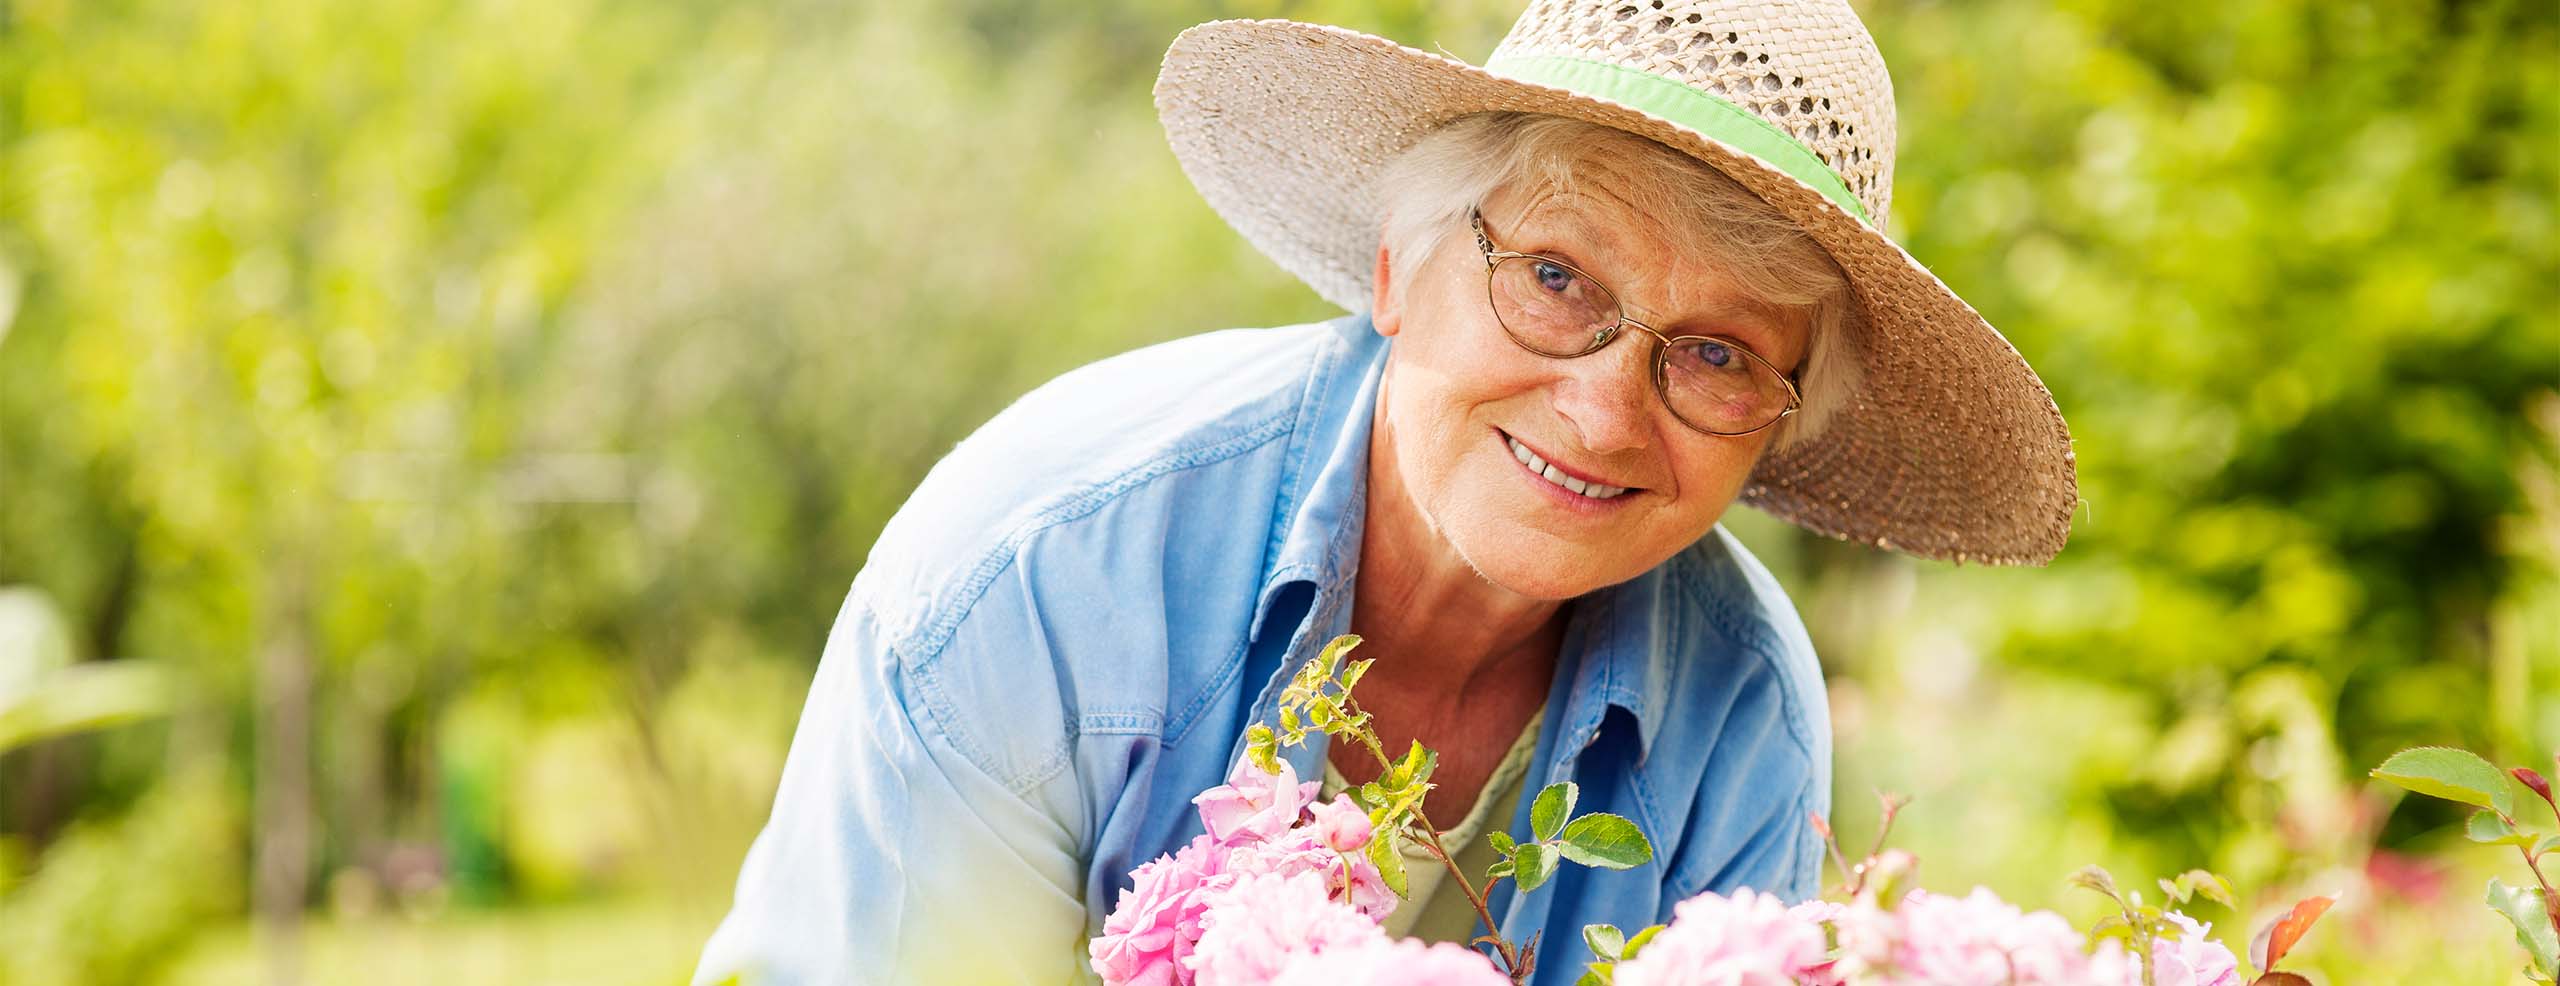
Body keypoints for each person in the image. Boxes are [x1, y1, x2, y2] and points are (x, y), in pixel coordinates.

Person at [693, 1, 2077, 983]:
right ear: (1397, 271)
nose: (1602, 408)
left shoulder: (1743, 710)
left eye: (1715, 355)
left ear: (1770, 429)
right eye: (1554, 278)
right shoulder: (1042, 576)